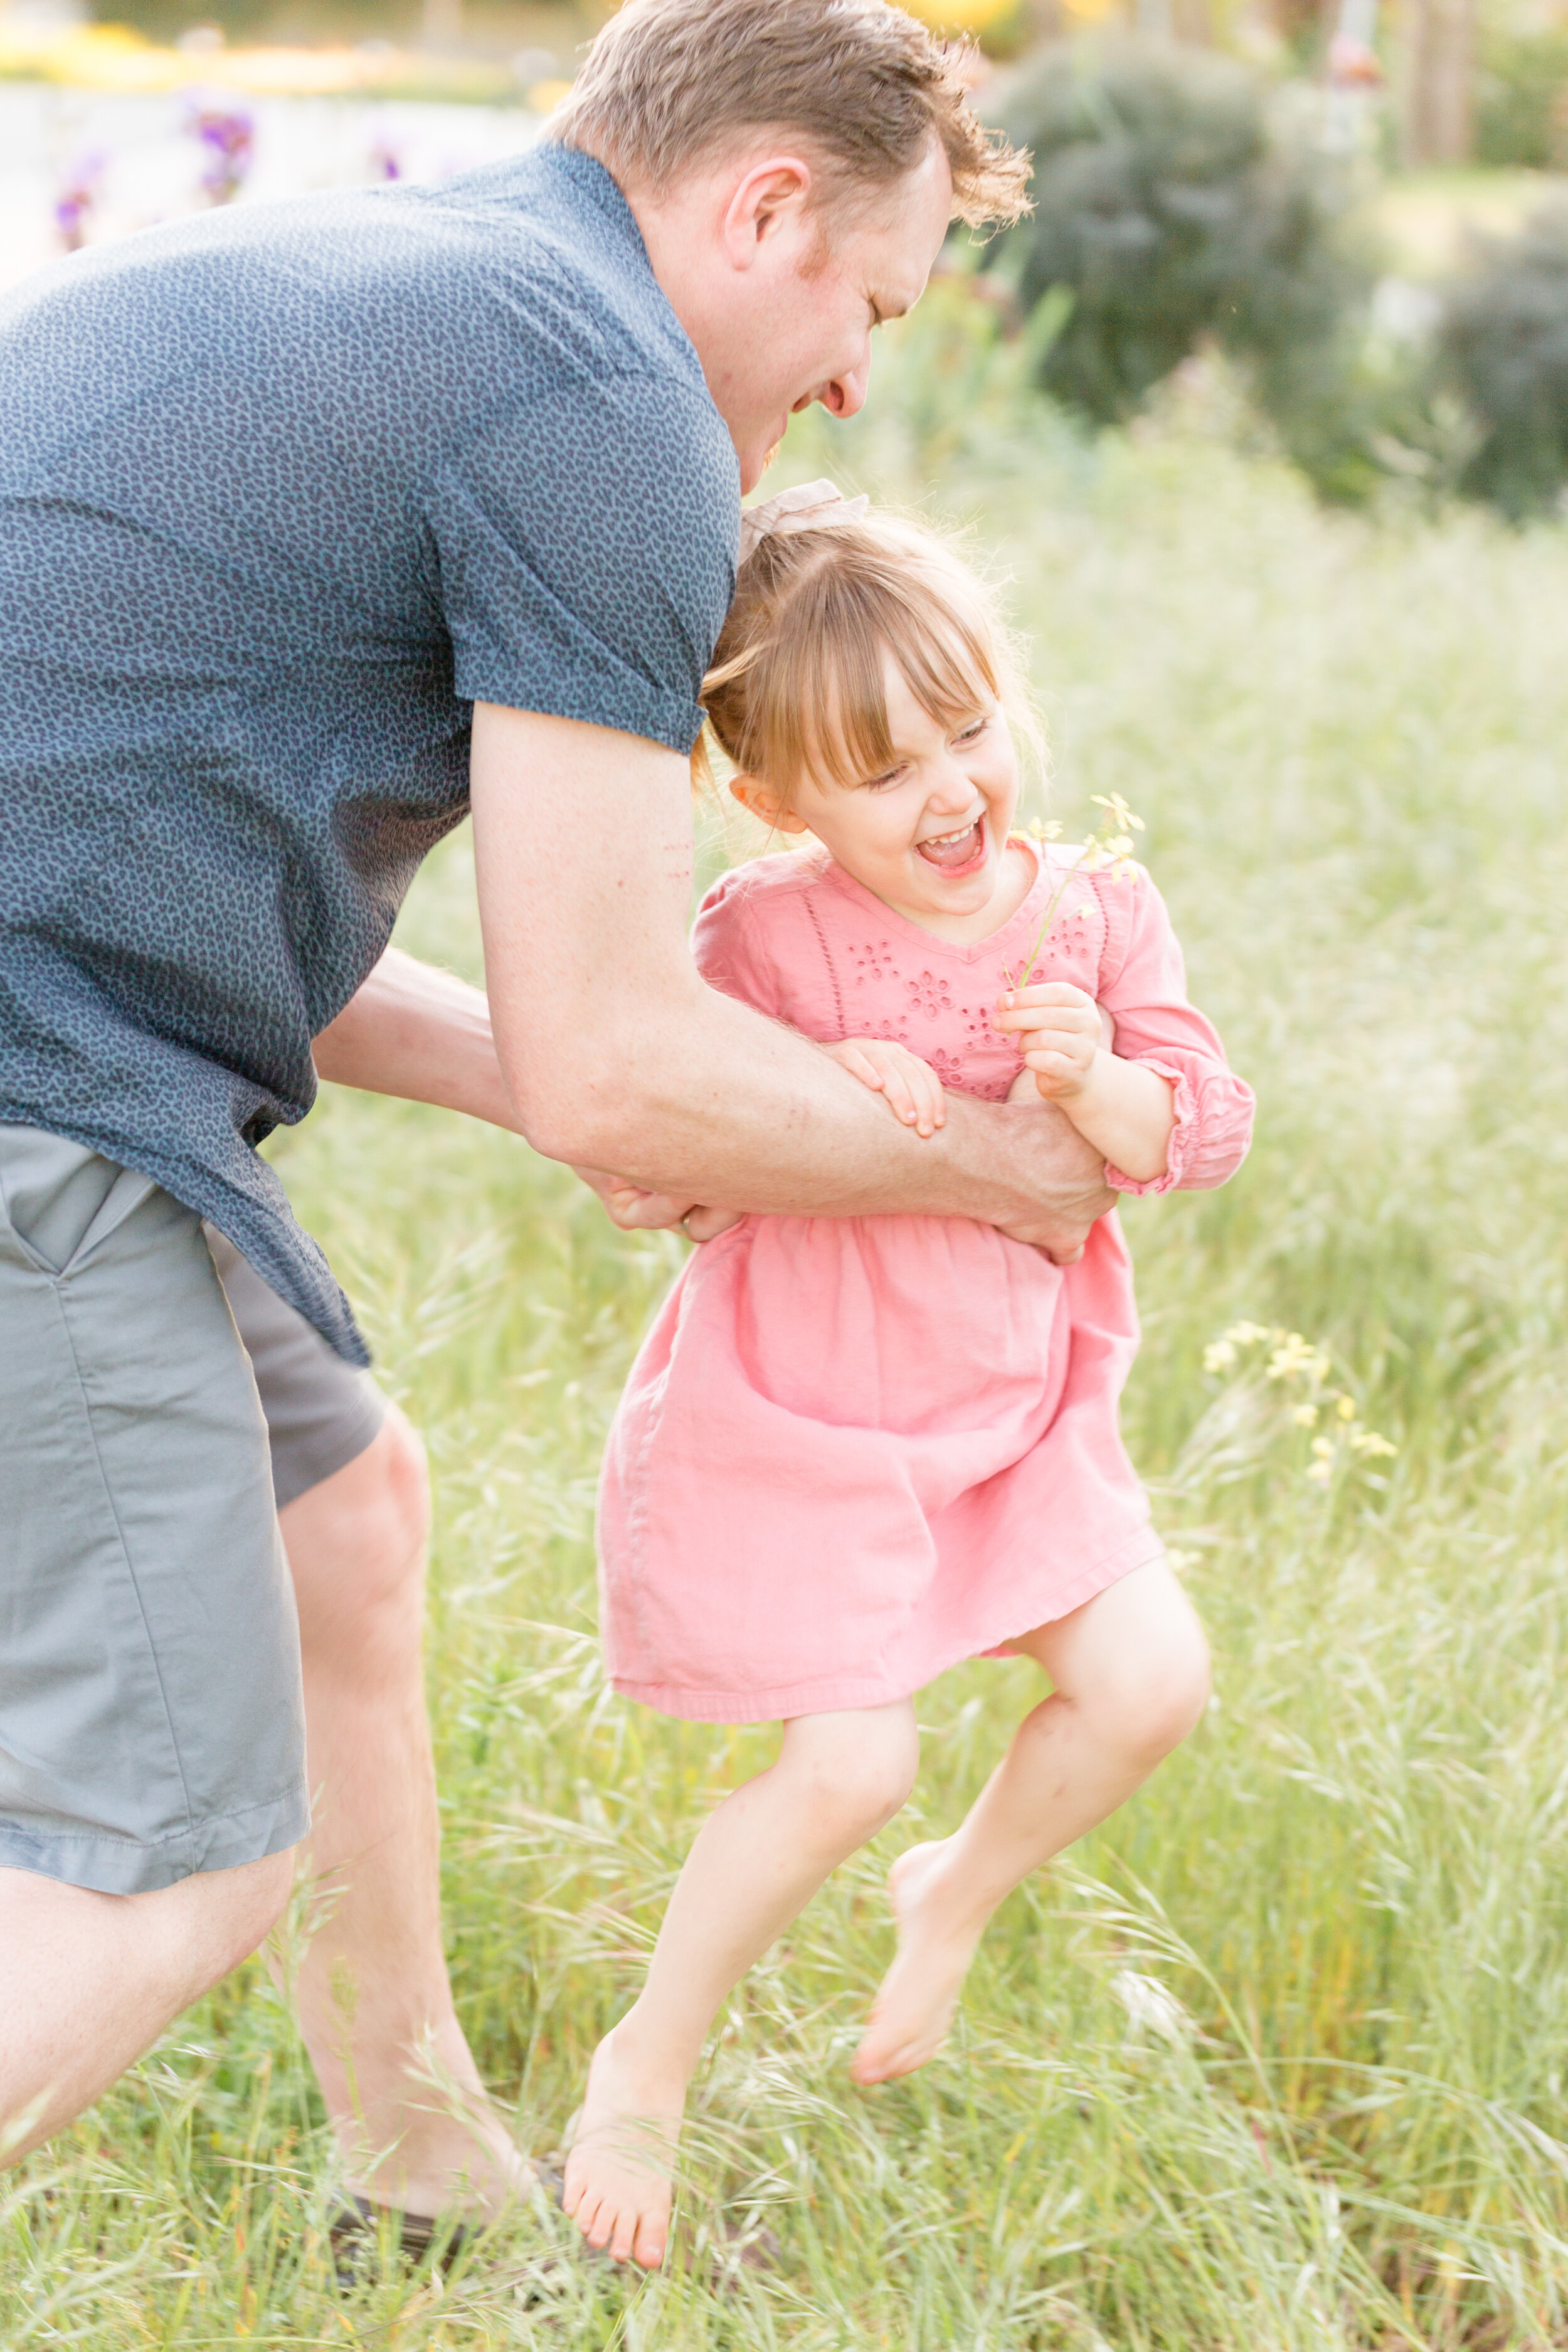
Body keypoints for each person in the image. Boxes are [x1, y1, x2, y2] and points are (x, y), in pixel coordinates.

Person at [0, 0, 1120, 2252]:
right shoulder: (604, 409)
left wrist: (600, 1103)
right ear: (764, 202)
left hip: (74, 1023)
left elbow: (178, 868)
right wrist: (986, 1165)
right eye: (866, 307)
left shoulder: (391, 275)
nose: (852, 386)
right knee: (167, 1858)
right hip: (43, 1093)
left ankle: (421, 2181)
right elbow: (617, 1048)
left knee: (348, 1516)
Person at [561, 498, 1256, 2269]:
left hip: (1015, 1416)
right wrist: (808, 1081)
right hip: (812, 1411)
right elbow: (673, 1132)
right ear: (780, 800)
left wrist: (1095, 1084)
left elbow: (1195, 1127)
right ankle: (649, 2057)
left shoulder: (1093, 910)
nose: (950, 788)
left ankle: (953, 1896)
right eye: (882, 770)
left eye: (967, 728)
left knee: (1149, 1681)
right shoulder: (759, 935)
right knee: (844, 1765)